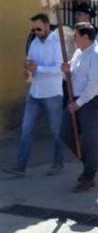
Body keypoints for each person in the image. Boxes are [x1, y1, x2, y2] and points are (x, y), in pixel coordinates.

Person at [3, 14, 64, 177]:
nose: (36, 31)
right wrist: (27, 72)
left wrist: (38, 69)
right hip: (35, 93)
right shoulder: (34, 42)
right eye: (33, 29)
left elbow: (60, 69)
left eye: (38, 28)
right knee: (26, 130)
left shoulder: (57, 43)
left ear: (46, 25)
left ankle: (58, 163)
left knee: (56, 131)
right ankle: (20, 166)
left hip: (52, 93)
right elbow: (29, 62)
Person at [60, 22, 98, 192]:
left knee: (89, 138)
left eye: (76, 35)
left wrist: (78, 103)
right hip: (75, 99)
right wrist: (65, 71)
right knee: (65, 133)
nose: (73, 38)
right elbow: (72, 78)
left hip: (91, 101)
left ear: (85, 37)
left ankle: (89, 175)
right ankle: (90, 162)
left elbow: (95, 85)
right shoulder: (78, 53)